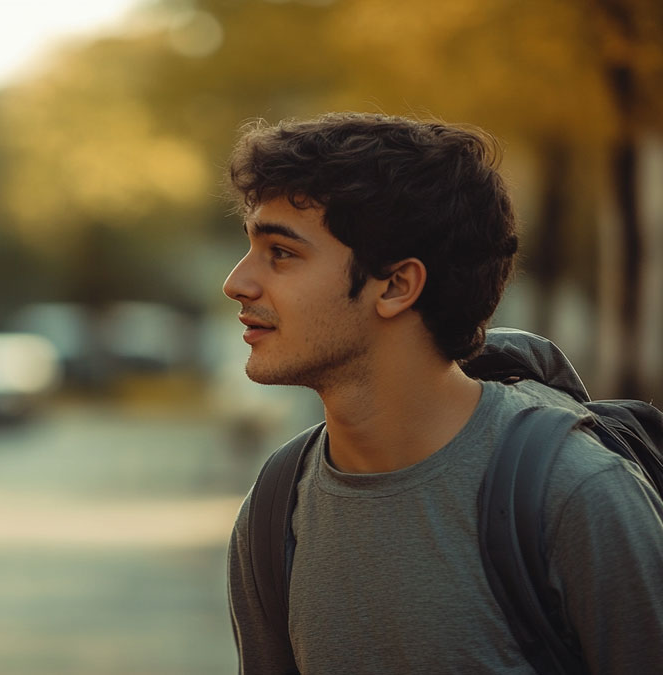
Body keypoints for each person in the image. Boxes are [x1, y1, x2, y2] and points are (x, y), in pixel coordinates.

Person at [222, 112, 663, 673]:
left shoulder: (575, 495)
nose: (237, 282)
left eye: (280, 253)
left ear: (397, 285)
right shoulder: (275, 509)